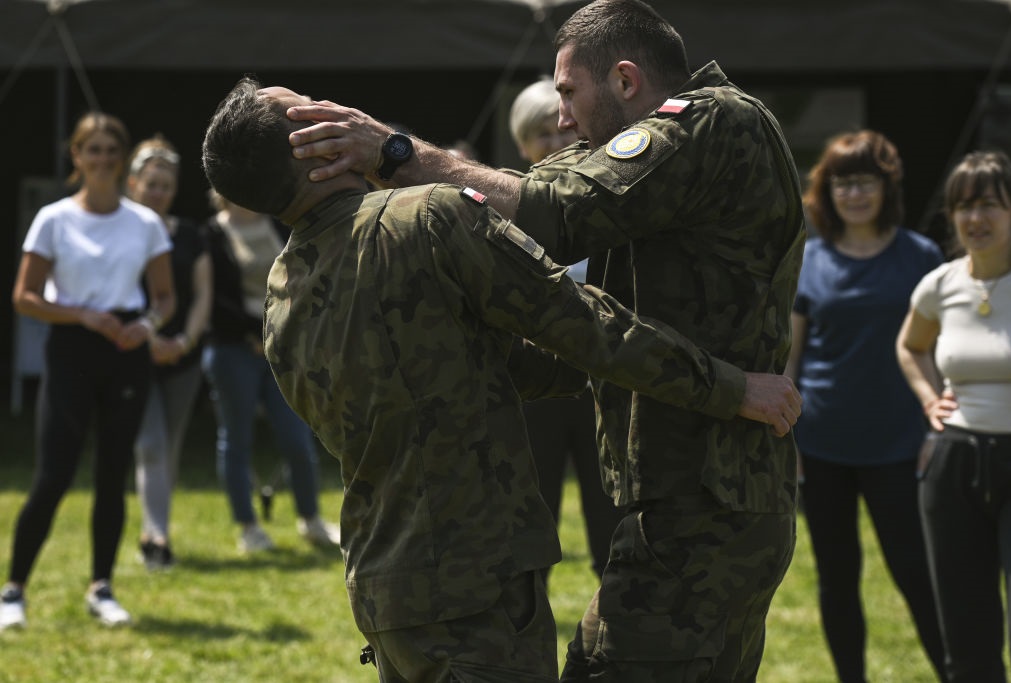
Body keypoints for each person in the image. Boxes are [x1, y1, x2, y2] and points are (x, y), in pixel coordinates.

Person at [202, 76, 801, 683]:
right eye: (312, 111)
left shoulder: (284, 291)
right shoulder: (427, 219)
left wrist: (629, 378)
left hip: (387, 589)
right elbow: (582, 324)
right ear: (319, 147)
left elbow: (490, 364)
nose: (335, 109)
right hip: (476, 589)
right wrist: (729, 386)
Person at [0, 112, 175, 630]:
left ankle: (102, 586)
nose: (100, 159)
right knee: (53, 475)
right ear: (75, 156)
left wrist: (146, 324)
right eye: (90, 149)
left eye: (109, 150)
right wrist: (80, 315)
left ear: (122, 160)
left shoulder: (144, 223)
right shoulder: (53, 218)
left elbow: (165, 298)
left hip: (125, 349)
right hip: (72, 347)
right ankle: (14, 590)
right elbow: (24, 297)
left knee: (112, 473)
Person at [785, 130, 948, 682]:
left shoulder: (921, 256)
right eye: (842, 183)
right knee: (837, 577)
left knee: (916, 573)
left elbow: (941, 353)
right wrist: (788, 439)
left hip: (902, 446)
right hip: (823, 445)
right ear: (826, 192)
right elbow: (792, 358)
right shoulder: (809, 259)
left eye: (865, 182)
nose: (854, 194)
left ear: (887, 188)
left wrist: (936, 429)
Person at [896, 149, 1011, 683]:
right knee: (966, 639)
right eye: (963, 207)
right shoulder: (941, 284)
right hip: (953, 467)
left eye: (989, 205)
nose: (975, 219)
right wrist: (930, 399)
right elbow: (910, 346)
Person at [508, 76, 621, 581]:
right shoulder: (507, 207)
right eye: (540, 136)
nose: (555, 144)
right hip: (538, 386)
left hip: (606, 377)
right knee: (533, 518)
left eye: (560, 131)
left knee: (611, 517)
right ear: (521, 145)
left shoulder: (609, 199)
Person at [202, 190, 340, 553]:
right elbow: (212, 297)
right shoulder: (212, 234)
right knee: (236, 439)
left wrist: (280, 333)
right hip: (234, 349)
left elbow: (299, 278)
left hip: (283, 347)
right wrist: (253, 333)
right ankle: (249, 528)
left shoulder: (279, 224)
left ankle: (311, 521)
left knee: (297, 437)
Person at [124, 134, 212, 570]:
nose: (158, 192)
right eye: (151, 183)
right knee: (152, 445)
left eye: (166, 185)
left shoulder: (192, 235)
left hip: (183, 358)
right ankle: (156, 538)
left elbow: (201, 295)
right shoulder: (119, 233)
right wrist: (149, 338)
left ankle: (155, 526)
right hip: (135, 355)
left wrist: (185, 341)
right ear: (132, 184)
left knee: (169, 447)